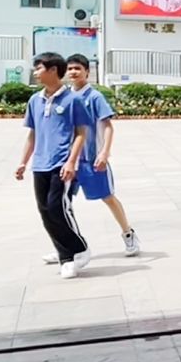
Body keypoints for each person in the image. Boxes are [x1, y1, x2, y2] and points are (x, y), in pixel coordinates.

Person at [16, 53, 91, 279]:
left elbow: (81, 134)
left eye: (39, 68)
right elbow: (33, 134)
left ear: (52, 70)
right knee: (45, 212)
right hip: (40, 164)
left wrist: (71, 162)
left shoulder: (72, 100)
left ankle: (77, 250)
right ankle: (64, 254)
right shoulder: (35, 101)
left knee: (58, 209)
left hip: (61, 164)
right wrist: (23, 162)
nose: (36, 72)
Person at [64, 55, 140, 257]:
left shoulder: (94, 97)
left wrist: (104, 152)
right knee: (63, 203)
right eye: (70, 68)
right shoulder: (64, 97)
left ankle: (128, 233)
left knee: (108, 197)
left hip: (92, 160)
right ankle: (66, 246)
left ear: (87, 72)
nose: (73, 72)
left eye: (77, 68)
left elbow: (107, 126)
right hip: (70, 162)